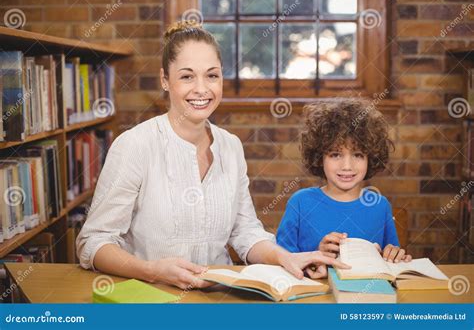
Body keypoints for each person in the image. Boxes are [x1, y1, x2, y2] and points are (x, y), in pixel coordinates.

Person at [76, 21, 349, 290]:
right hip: (152, 298)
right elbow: (94, 242)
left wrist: (285, 257)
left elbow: (244, 231)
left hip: (216, 297)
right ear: (165, 80)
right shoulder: (135, 145)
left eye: (212, 75)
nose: (201, 89)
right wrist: (152, 271)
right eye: (186, 76)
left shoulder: (230, 146)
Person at [277, 101, 412, 263]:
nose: (347, 166)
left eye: (358, 155)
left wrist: (394, 255)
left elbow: (390, 261)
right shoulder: (300, 202)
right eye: (335, 154)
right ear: (319, 158)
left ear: (371, 158)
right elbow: (283, 261)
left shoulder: (380, 205)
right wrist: (316, 256)